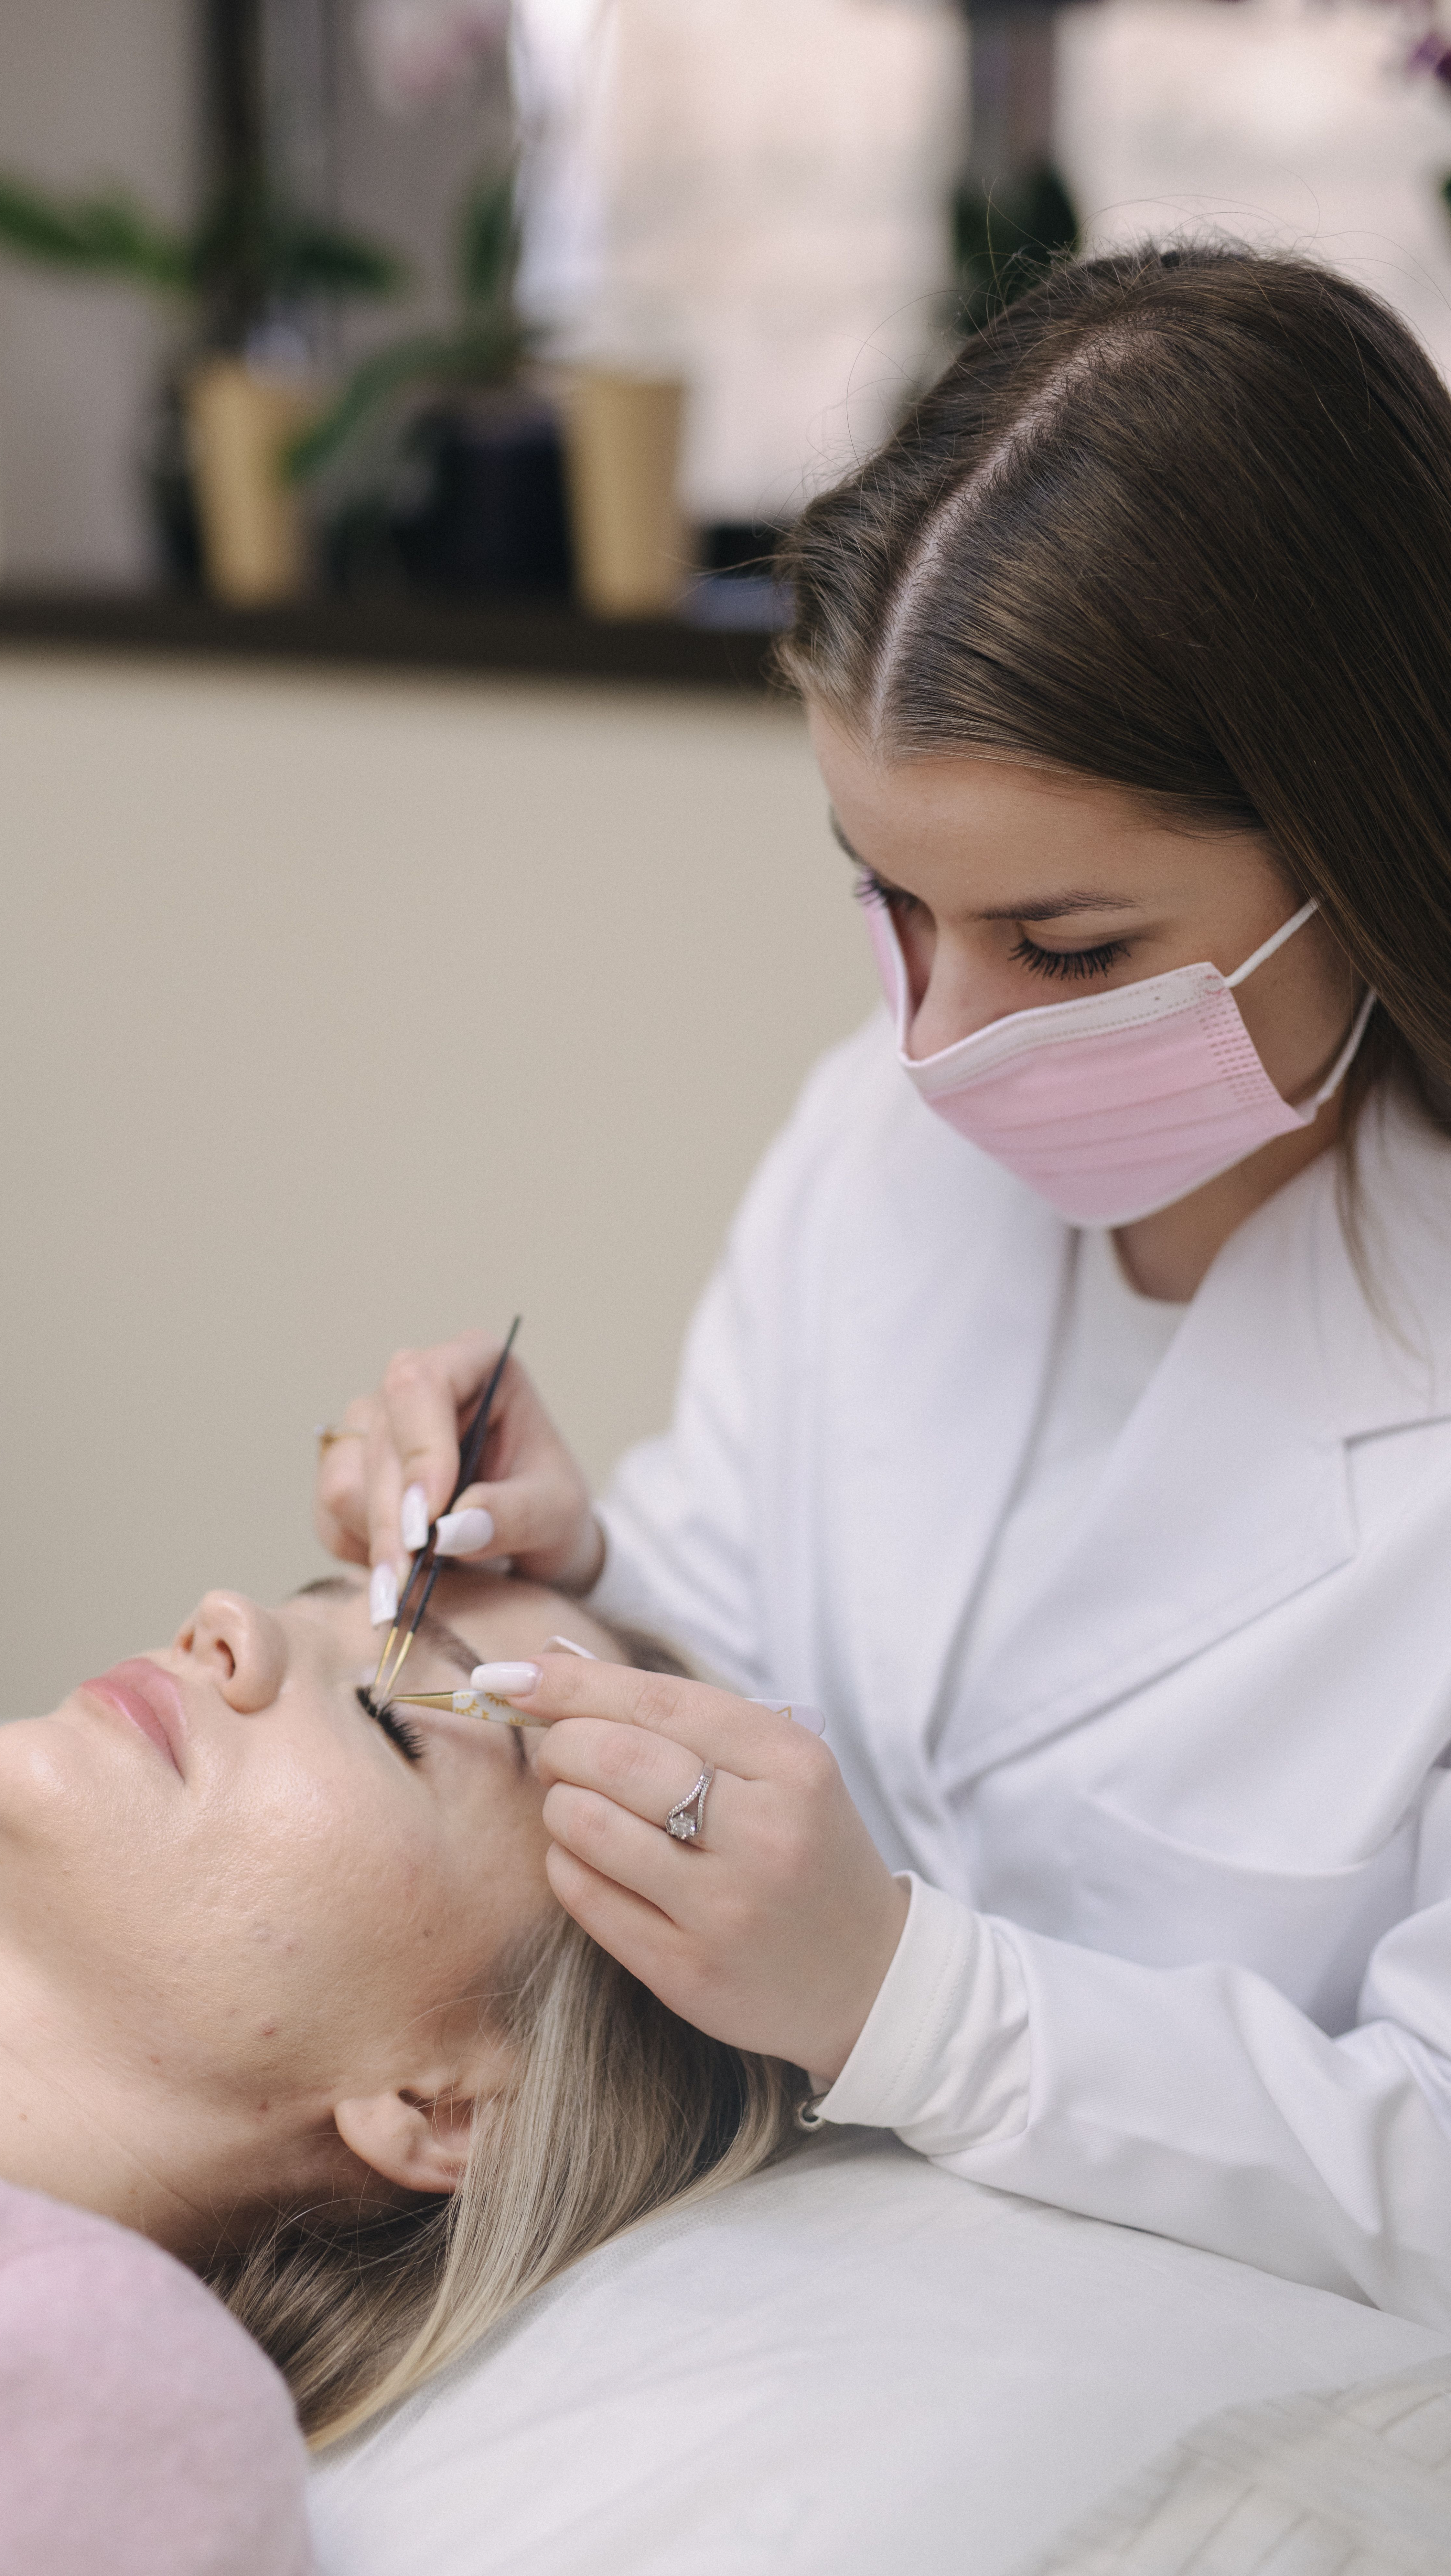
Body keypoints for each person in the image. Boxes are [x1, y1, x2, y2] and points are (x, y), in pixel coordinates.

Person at [317, 243, 1451, 2327]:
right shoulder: (885, 1128)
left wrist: (917, 2004)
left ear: (1374, 839)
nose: (938, 1039)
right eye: (886, 900)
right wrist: (580, 1579)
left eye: (1071, 947)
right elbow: (757, 1696)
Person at [0, 1569, 801, 2573]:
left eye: (393, 1720)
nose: (230, 1616)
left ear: (446, 2102)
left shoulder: (106, 2389)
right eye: (304, 1596)